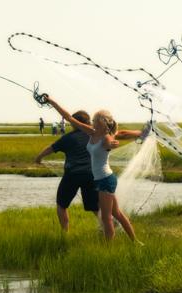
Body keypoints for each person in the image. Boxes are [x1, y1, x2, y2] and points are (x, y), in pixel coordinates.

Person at [45, 96, 145, 243]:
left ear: (101, 123)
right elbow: (69, 118)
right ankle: (135, 242)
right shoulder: (92, 132)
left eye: (94, 120)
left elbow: (110, 142)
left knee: (106, 218)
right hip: (100, 179)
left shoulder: (106, 137)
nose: (92, 122)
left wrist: (112, 145)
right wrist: (51, 102)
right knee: (116, 213)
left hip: (105, 180)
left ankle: (109, 250)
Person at [34, 110, 99, 233]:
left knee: (61, 205)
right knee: (94, 206)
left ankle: (65, 232)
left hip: (72, 175)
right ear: (87, 122)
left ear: (74, 123)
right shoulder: (94, 135)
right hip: (91, 175)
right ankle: (107, 226)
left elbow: (51, 148)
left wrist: (38, 158)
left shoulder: (68, 138)